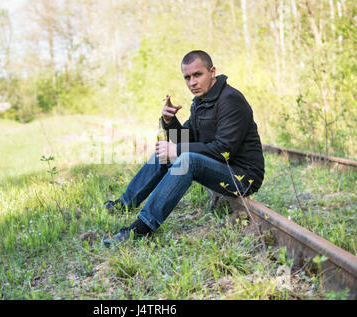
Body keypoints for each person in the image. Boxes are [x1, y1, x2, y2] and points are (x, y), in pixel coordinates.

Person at [103, 50, 264, 247]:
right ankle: (126, 203)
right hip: (221, 169)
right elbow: (187, 137)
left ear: (212, 71)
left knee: (186, 160)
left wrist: (177, 151)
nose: (192, 82)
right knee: (165, 152)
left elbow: (224, 150)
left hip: (243, 176)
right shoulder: (201, 101)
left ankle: (142, 228)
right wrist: (169, 121)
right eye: (187, 77)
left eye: (198, 75)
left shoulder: (230, 100)